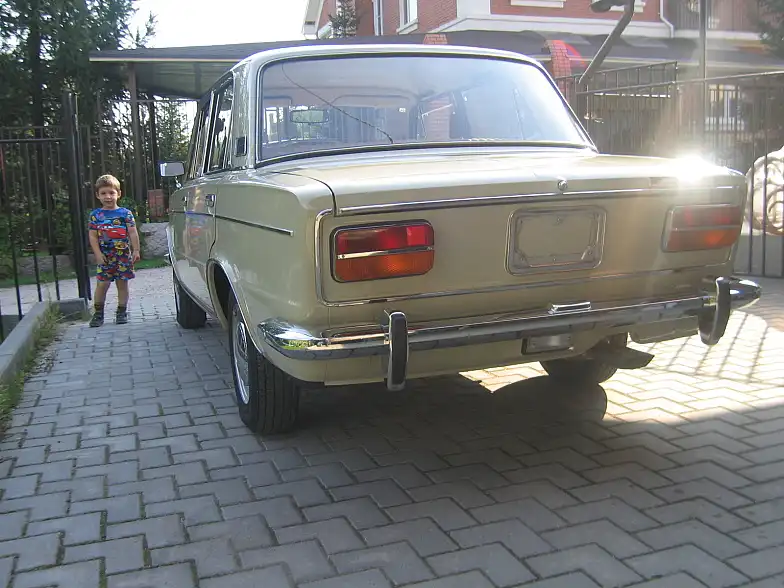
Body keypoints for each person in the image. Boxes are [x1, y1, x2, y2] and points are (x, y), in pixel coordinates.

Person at [87, 174, 141, 327]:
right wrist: (97, 254)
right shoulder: (95, 215)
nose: (108, 197)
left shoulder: (125, 213)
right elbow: (92, 236)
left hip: (122, 256)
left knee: (122, 284)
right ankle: (98, 314)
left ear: (119, 194)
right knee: (102, 284)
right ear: (98, 195)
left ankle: (121, 312)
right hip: (105, 256)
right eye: (103, 193)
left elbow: (132, 232)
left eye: (111, 192)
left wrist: (136, 250)